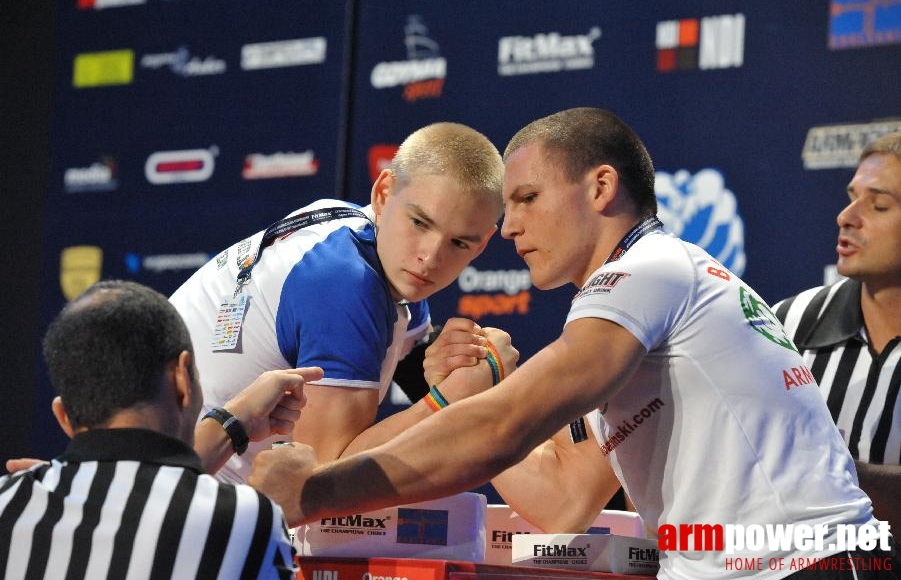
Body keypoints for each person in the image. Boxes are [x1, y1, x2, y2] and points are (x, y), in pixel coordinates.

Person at [249, 108, 898, 579]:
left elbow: (504, 426)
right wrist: (462, 393)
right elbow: (559, 499)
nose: (508, 227)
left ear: (599, 187)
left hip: (799, 566)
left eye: (527, 198)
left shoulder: (646, 272)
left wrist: (316, 491)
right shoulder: (637, 321)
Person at [169, 121, 517, 484]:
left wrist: (450, 359)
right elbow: (324, 477)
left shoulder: (365, 237)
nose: (430, 257)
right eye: (419, 223)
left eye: (458, 243)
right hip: (169, 494)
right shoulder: (344, 281)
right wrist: (451, 398)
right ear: (384, 193)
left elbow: (410, 358)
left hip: (168, 473)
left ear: (482, 244)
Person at [0, 280, 320, 579]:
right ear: (182, 378)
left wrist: (234, 422)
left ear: (63, 416)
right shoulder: (246, 519)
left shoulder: (8, 501)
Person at [774, 131, 901, 536]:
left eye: (879, 205)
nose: (846, 216)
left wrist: (835, 473)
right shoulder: (787, 324)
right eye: (853, 196)